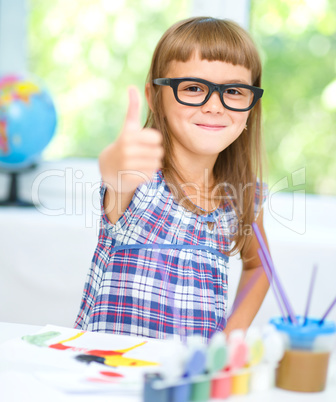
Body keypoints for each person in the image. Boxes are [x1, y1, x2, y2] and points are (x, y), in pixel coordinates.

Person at [75, 16, 270, 341]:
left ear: (251, 104)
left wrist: (229, 338)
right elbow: (113, 173)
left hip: (185, 384)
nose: (214, 106)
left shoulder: (242, 196)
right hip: (111, 379)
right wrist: (115, 161)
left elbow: (259, 266)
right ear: (155, 98)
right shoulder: (138, 178)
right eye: (194, 88)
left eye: (233, 91)